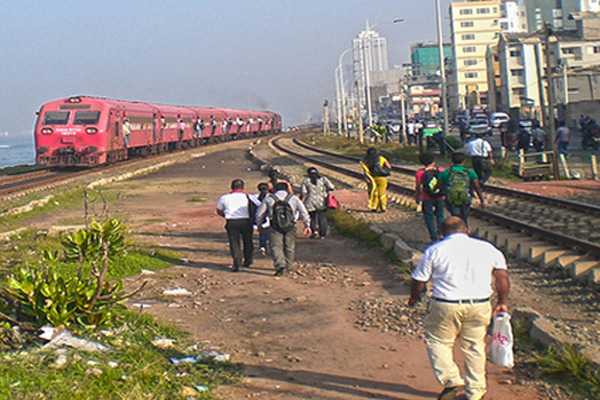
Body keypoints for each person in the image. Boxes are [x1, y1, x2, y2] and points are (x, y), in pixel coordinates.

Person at [408, 217, 510, 400]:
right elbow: (502, 277)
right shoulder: (488, 248)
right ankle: (476, 392)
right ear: (467, 230)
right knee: (475, 346)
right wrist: (502, 302)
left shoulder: (434, 250)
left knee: (438, 341)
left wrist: (414, 298)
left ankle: (451, 381)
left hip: (445, 304)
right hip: (479, 304)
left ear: (441, 233)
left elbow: (419, 280)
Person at [255, 182, 311, 276]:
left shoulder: (269, 198)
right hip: (290, 226)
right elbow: (304, 212)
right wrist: (307, 225)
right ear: (286, 189)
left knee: (276, 247)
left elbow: (259, 214)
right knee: (289, 247)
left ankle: (280, 266)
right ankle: (289, 266)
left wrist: (259, 225)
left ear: (275, 189)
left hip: (274, 226)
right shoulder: (294, 198)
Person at [216, 179, 259, 272]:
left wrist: (226, 215)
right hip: (246, 221)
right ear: (243, 187)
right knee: (248, 241)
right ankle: (248, 260)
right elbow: (259, 206)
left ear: (231, 187)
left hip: (232, 221)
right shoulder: (249, 197)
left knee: (234, 242)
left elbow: (219, 210)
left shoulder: (224, 198)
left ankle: (237, 262)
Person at [439, 152, 484, 225]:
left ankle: (457, 228)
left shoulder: (446, 172)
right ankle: (465, 228)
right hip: (465, 197)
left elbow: (441, 185)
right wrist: (481, 199)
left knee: (456, 217)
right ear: (464, 161)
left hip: (452, 198)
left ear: (452, 161)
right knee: (464, 217)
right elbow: (477, 187)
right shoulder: (470, 172)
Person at [415, 153, 445, 242]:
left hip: (426, 197)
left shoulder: (420, 173)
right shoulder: (441, 170)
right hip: (439, 196)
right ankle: (441, 234)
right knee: (440, 215)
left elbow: (418, 187)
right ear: (433, 161)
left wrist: (417, 197)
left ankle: (433, 237)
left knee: (429, 217)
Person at [301, 167, 335, 239]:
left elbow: (304, 192)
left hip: (310, 201)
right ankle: (322, 234)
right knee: (322, 217)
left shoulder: (306, 181)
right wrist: (325, 191)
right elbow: (332, 187)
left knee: (312, 217)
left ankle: (314, 232)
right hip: (321, 201)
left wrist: (302, 200)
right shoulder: (323, 179)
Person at [360, 147, 391, 213]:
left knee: (374, 192)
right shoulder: (381, 158)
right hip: (382, 178)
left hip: (372, 178)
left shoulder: (365, 160)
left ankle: (374, 207)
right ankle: (383, 207)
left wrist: (366, 178)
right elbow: (389, 166)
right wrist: (386, 171)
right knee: (382, 193)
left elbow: (365, 171)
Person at [254, 182, 271, 256]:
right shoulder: (272, 197)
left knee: (262, 233)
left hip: (261, 219)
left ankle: (262, 247)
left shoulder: (255, 198)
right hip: (271, 219)